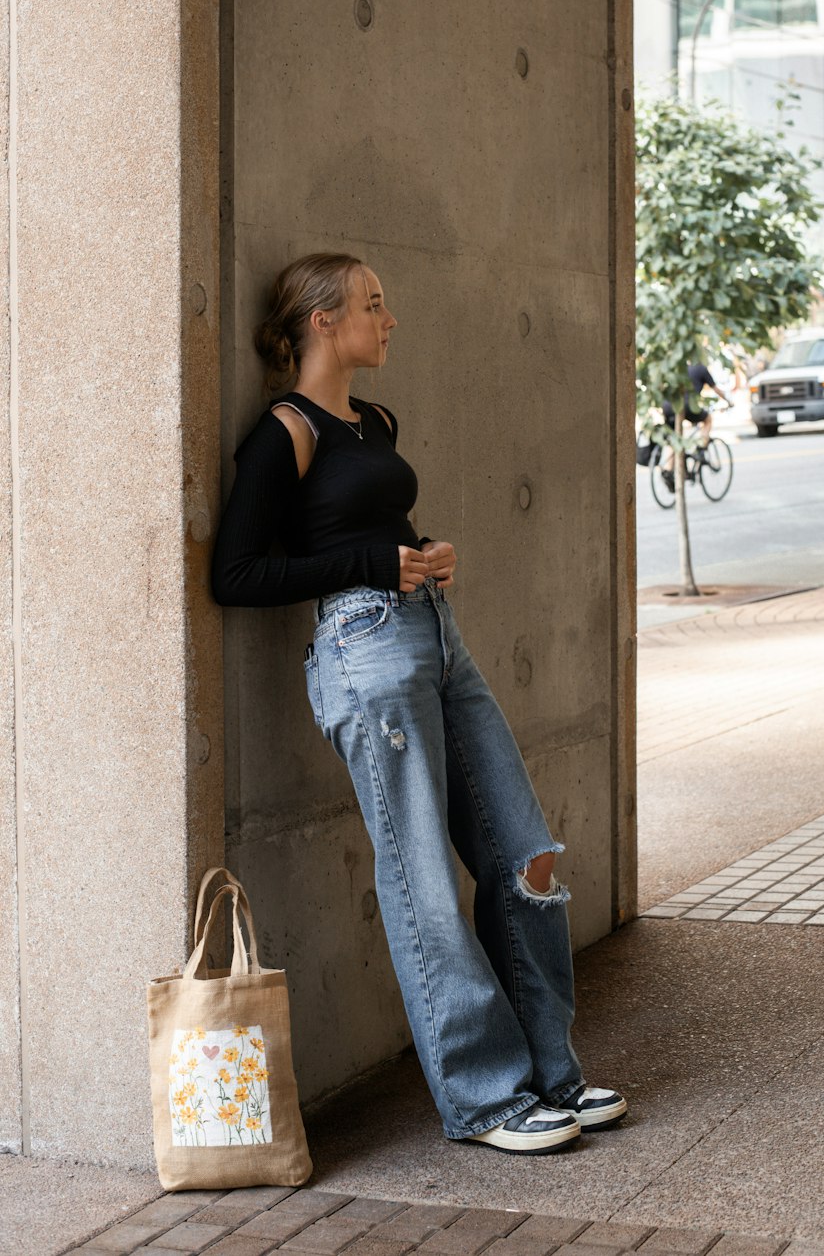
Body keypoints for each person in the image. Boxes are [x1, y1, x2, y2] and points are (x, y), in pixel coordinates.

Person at [210, 251, 626, 1155]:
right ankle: (483, 1099)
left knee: (527, 856)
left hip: (435, 633)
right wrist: (373, 566)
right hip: (365, 650)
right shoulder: (285, 430)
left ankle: (551, 1073)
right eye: (372, 303)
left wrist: (422, 554)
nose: (388, 318)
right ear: (323, 321)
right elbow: (236, 574)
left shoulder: (374, 420)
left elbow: (368, 530)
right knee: (424, 884)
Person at [662, 360, 732, 490]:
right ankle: (701, 448)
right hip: (686, 406)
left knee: (674, 438)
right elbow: (716, 390)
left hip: (666, 406)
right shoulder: (701, 368)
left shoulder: (677, 367)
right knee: (707, 419)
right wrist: (729, 401)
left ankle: (667, 469)